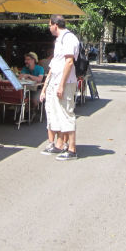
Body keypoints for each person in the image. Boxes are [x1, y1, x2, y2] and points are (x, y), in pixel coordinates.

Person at [39, 15, 79, 161]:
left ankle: (72, 149)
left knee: (67, 113)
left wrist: (61, 84)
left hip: (65, 82)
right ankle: (60, 145)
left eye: (49, 25)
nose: (49, 28)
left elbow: (69, 62)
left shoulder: (69, 39)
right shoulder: (60, 40)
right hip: (57, 81)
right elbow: (56, 63)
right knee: (57, 113)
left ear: (55, 25)